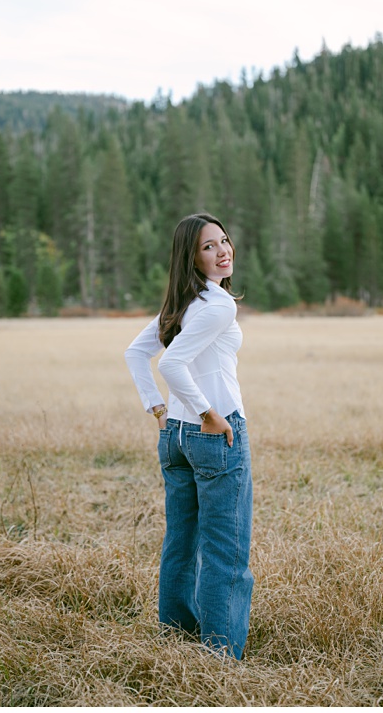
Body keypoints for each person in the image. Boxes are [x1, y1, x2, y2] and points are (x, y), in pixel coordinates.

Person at [124, 212, 253, 660]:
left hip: (176, 437)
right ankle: (220, 655)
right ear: (191, 257)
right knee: (226, 548)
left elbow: (136, 353)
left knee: (182, 540)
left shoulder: (185, 303)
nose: (222, 251)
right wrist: (209, 414)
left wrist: (159, 410)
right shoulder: (218, 305)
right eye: (208, 247)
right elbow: (168, 363)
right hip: (212, 432)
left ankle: (177, 638)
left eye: (223, 241)